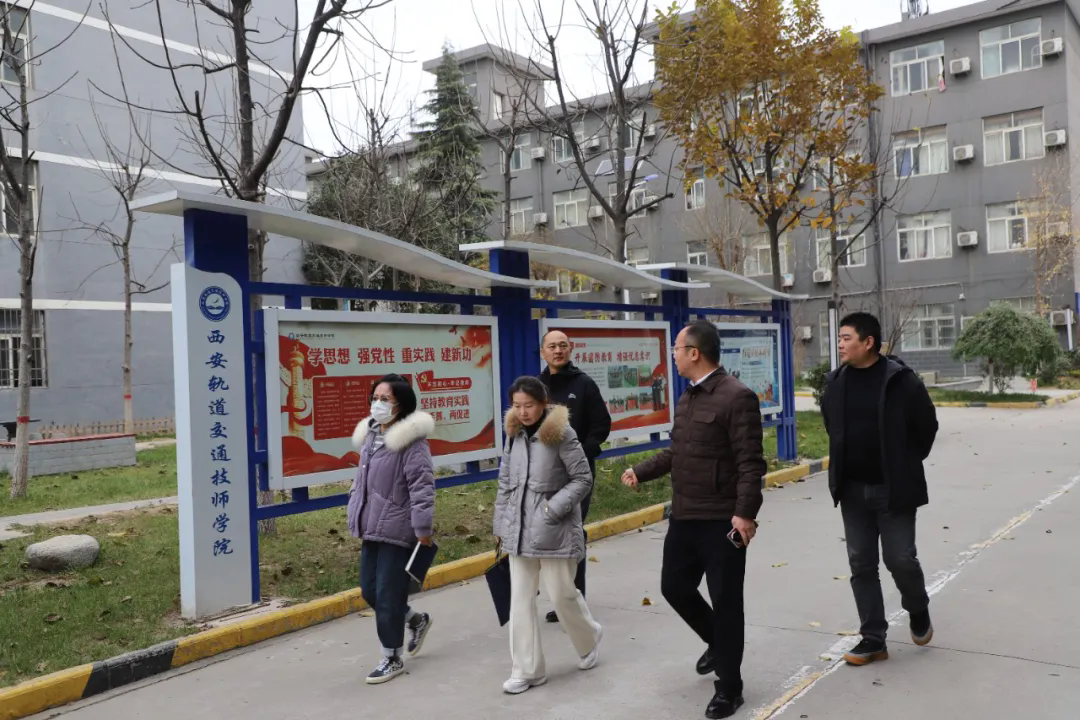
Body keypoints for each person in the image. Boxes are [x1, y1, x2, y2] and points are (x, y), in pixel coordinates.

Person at [621, 319, 766, 720]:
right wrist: (642, 471)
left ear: (694, 353)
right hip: (685, 515)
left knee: (727, 602)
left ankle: (730, 688)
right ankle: (718, 643)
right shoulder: (687, 398)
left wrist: (745, 514)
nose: (673, 355)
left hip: (722, 520)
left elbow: (751, 463)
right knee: (674, 587)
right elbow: (678, 452)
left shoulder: (737, 397)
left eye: (677, 348)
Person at [821, 312, 938, 666]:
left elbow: (927, 426)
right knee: (861, 564)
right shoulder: (836, 383)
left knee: (900, 558)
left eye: (846, 338)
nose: (840, 344)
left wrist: (905, 461)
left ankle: (917, 606)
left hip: (893, 489)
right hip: (853, 491)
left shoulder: (902, 381)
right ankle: (873, 639)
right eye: (839, 338)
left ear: (868, 342)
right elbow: (831, 426)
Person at [494, 376, 602, 695]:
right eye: (517, 406)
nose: (523, 412)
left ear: (543, 403)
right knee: (520, 601)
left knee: (562, 595)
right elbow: (505, 482)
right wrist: (500, 525)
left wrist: (552, 509)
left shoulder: (562, 434)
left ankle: (589, 638)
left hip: (553, 529)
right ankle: (527, 671)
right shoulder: (514, 435)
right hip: (518, 530)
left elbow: (582, 478)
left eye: (529, 405)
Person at [347, 374, 436, 685]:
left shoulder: (412, 442)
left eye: (385, 399)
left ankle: (392, 657)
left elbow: (422, 487)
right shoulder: (371, 435)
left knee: (387, 594)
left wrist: (422, 527)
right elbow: (363, 481)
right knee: (370, 590)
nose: (378, 404)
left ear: (401, 404)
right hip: (371, 524)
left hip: (399, 528)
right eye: (375, 397)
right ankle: (415, 619)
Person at [539, 329, 612, 623]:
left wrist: (582, 453)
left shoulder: (584, 384)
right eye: (552, 346)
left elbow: (601, 424)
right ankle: (561, 596)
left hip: (577, 475)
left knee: (572, 531)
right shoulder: (536, 387)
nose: (558, 351)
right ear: (543, 352)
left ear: (570, 350)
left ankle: (574, 598)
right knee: (550, 534)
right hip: (544, 474)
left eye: (563, 346)